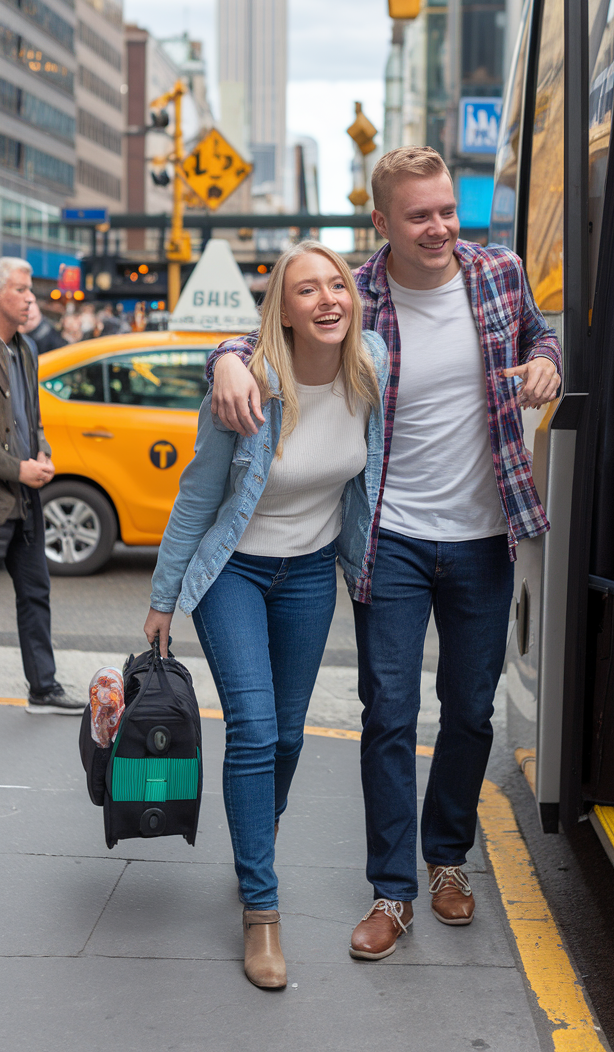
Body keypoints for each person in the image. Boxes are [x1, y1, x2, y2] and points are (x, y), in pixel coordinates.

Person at [206, 146, 562, 961]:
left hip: (484, 536)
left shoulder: (498, 274)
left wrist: (544, 361)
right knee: (388, 717)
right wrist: (226, 358)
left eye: (446, 211)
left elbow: (542, 334)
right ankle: (392, 891)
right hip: (389, 539)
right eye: (419, 215)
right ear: (381, 224)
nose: (439, 227)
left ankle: (448, 862)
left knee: (470, 712)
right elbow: (261, 329)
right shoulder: (356, 291)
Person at [143, 242, 388, 989]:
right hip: (234, 574)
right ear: (280, 308)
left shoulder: (372, 363)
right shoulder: (246, 386)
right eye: (306, 289)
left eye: (337, 285)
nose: (327, 300)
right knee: (252, 727)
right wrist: (162, 599)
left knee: (286, 734)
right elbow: (195, 496)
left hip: (313, 572)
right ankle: (262, 909)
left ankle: (258, 832)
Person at [0, 259, 84, 714]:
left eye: (31, 289)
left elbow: (32, 418)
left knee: (35, 591)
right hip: (6, 491)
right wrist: (18, 469)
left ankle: (43, 689)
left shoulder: (27, 348)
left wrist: (44, 451)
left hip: (26, 501)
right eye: (21, 289)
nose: (31, 297)